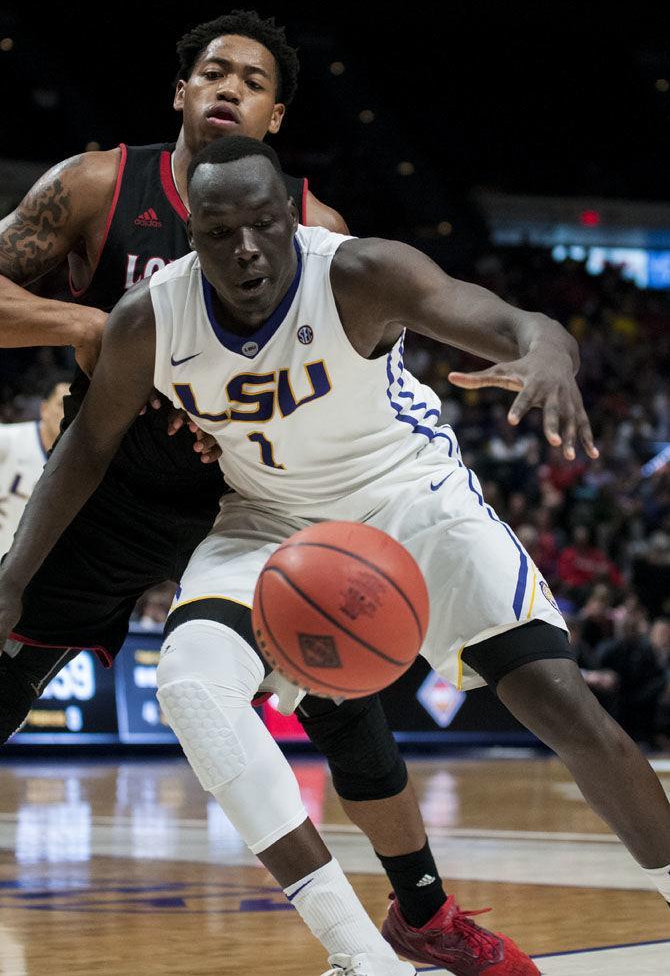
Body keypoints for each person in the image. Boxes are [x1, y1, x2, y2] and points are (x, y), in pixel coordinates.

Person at [4, 135, 670, 970]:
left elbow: (515, 322)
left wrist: (547, 355)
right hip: (271, 519)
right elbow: (86, 449)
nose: (245, 248)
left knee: (562, 703)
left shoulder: (361, 273)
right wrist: (13, 578)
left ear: (291, 216)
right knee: (190, 685)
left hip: (408, 496)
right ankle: (365, 955)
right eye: (219, 231)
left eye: (263, 223)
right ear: (193, 236)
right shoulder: (152, 318)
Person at [0, 375, 69, 557]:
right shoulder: (8, 440)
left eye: (74, 408)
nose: (67, 415)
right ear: (44, 409)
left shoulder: (79, 467)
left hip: (22, 573)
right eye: (62, 405)